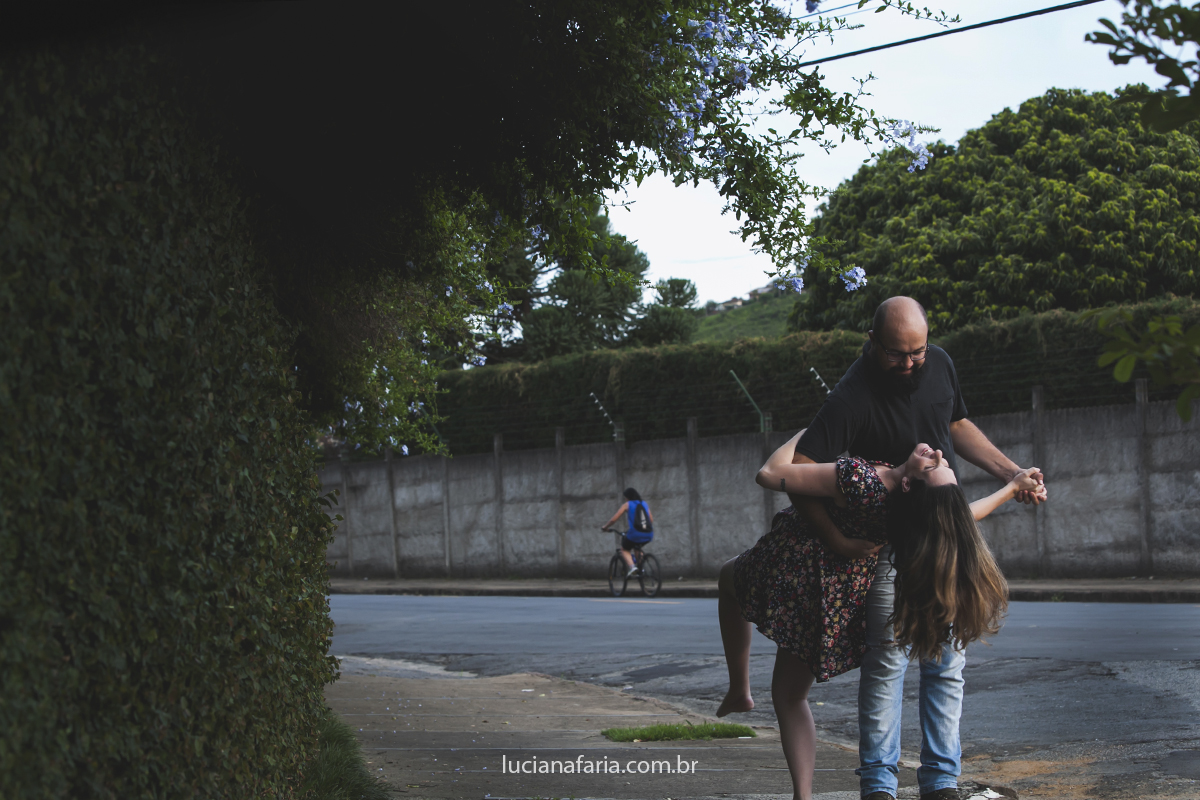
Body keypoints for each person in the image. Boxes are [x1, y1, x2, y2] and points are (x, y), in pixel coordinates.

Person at [789, 296, 1046, 800]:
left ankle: (941, 783)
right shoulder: (851, 396)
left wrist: (1013, 473)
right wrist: (836, 538)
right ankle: (878, 787)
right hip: (890, 553)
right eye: (896, 354)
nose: (909, 363)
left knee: (947, 669)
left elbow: (956, 424)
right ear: (872, 343)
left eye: (918, 352)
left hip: (946, 546)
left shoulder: (941, 364)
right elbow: (798, 470)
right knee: (886, 670)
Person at [715, 430, 1040, 800]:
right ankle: (801, 794)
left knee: (728, 578)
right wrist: (1012, 488)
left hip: (797, 570)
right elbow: (963, 513)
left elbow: (770, 473)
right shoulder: (913, 517)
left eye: (932, 466)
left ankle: (739, 687)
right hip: (833, 600)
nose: (937, 453)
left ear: (908, 485)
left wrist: (812, 430)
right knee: (790, 696)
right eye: (944, 463)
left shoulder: (860, 479)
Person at [601, 488, 654, 577]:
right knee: (637, 548)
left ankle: (633, 567)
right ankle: (641, 569)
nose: (625, 499)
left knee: (624, 549)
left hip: (635, 533)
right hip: (649, 533)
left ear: (628, 497)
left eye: (625, 497)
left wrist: (605, 527)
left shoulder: (627, 505)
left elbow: (614, 519)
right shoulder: (644, 503)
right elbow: (651, 520)